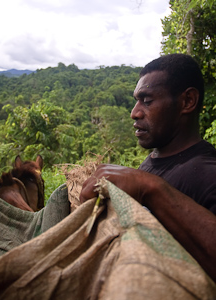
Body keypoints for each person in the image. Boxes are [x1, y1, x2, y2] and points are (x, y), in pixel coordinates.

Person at [80, 53, 216, 282]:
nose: (135, 112)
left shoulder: (208, 173)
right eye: (136, 100)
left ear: (187, 101)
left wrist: (150, 188)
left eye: (147, 100)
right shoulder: (152, 162)